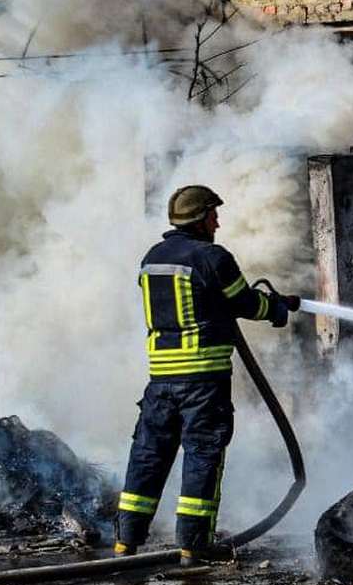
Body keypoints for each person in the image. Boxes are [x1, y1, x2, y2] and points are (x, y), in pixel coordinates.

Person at [113, 185, 299, 564]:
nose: (218, 221)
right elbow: (244, 302)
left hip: (160, 380)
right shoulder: (212, 257)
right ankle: (193, 547)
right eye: (213, 214)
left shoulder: (153, 259)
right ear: (199, 219)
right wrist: (276, 309)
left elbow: (197, 303)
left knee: (148, 456)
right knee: (202, 456)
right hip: (203, 379)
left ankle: (125, 543)